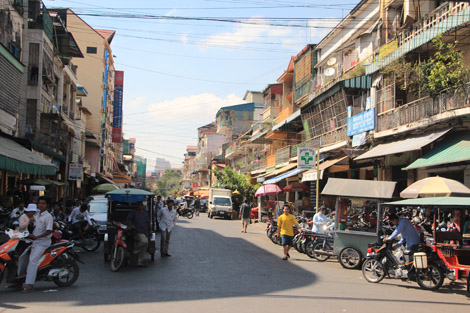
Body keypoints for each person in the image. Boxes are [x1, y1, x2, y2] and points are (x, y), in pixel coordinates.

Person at [19, 196, 54, 292]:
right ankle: (17, 282)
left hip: (43, 243)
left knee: (32, 260)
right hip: (34, 242)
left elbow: (49, 231)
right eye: (40, 203)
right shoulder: (37, 216)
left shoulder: (48, 216)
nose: (41, 205)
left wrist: (37, 237)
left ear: (47, 205)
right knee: (22, 258)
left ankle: (29, 285)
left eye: (43, 203)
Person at [127, 202, 151, 267]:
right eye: (140, 205)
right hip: (137, 231)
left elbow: (148, 222)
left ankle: (139, 261)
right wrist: (131, 225)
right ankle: (135, 250)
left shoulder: (146, 213)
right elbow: (128, 219)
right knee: (144, 242)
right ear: (138, 206)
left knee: (145, 246)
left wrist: (149, 231)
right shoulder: (134, 212)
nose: (141, 206)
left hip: (145, 231)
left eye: (142, 205)